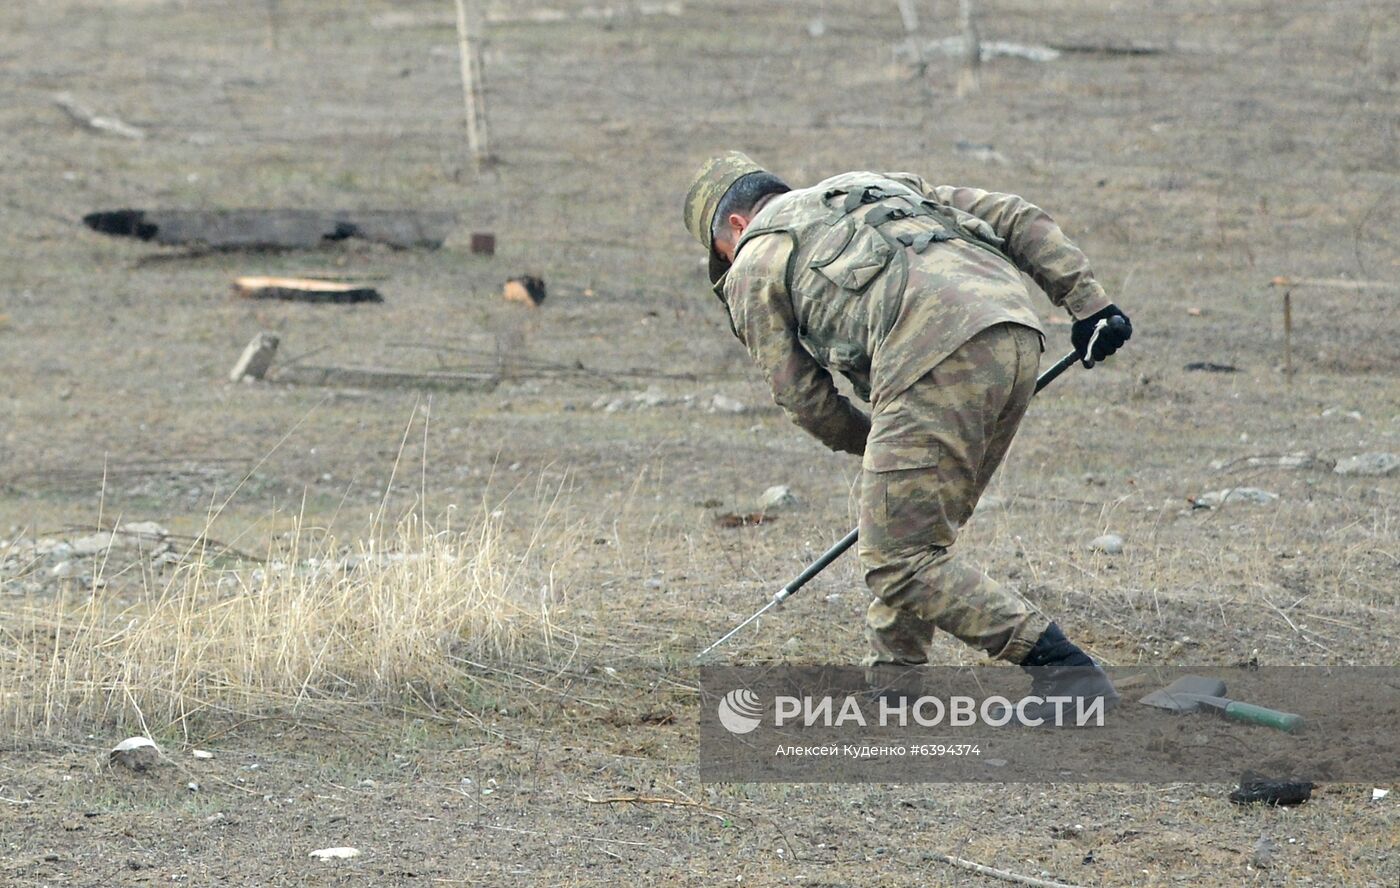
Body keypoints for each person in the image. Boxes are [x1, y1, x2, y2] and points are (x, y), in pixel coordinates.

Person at [683, 152, 1132, 713]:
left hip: (930, 358)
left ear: (736, 226)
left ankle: (1064, 671)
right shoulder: (875, 185)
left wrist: (865, 439)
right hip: (1015, 335)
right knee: (915, 531)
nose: (729, 264)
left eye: (722, 255)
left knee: (898, 558)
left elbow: (801, 394)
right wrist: (1090, 304)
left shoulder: (754, 261)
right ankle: (896, 684)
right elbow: (1015, 216)